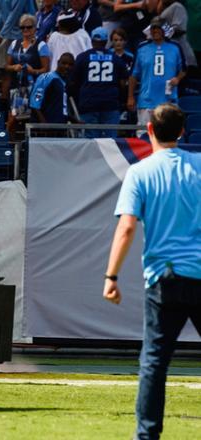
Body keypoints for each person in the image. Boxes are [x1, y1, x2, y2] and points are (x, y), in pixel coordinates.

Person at [103, 103, 201, 440]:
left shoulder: (139, 172)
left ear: (149, 132)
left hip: (164, 279)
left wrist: (111, 277)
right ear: (183, 132)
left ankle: (147, 436)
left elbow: (127, 228)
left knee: (154, 364)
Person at [128, 17, 185, 133]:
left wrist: (178, 78)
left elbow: (183, 69)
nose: (155, 31)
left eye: (158, 28)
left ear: (165, 30)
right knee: (144, 136)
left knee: (168, 135)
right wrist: (130, 96)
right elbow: (134, 74)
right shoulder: (142, 48)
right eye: (153, 28)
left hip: (168, 101)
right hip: (146, 101)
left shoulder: (175, 47)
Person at [71, 26, 129, 137]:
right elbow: (123, 83)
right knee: (110, 141)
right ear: (106, 41)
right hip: (110, 103)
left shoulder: (82, 57)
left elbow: (74, 81)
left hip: (88, 102)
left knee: (90, 140)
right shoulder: (116, 58)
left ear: (92, 40)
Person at [6, 13, 51, 134]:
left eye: (29, 27)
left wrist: (33, 71)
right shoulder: (14, 43)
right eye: (22, 27)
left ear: (35, 28)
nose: (25, 30)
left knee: (30, 120)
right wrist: (14, 67)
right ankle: (10, 146)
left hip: (34, 87)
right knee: (13, 119)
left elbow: (46, 69)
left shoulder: (41, 45)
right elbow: (6, 66)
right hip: (17, 87)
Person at [29, 52, 76, 129]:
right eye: (64, 63)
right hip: (45, 129)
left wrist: (75, 121)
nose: (67, 66)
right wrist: (44, 124)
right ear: (58, 63)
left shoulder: (66, 82)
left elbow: (63, 109)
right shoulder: (46, 77)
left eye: (70, 65)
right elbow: (34, 103)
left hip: (60, 127)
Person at [157, 0, 197, 71]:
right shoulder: (168, 8)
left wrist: (160, 33)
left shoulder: (177, 7)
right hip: (172, 56)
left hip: (183, 57)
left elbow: (178, 30)